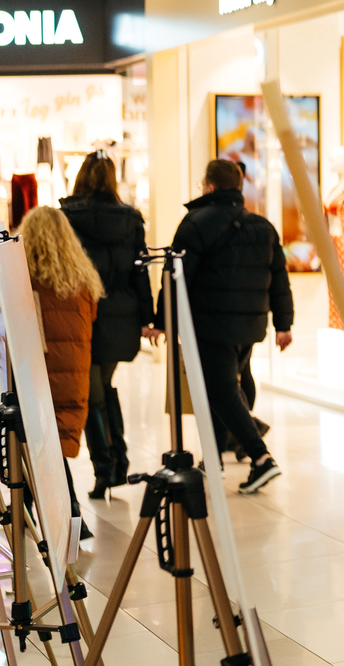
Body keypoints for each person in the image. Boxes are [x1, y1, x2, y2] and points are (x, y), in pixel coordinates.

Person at [168, 159, 293, 493]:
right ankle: (213, 458)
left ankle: (261, 458)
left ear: (209, 187)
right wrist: (284, 323)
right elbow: (280, 279)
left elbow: (176, 277)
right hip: (250, 327)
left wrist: (162, 319)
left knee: (222, 392)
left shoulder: (194, 223)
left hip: (210, 325)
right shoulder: (263, 227)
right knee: (220, 389)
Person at [60, 152, 157, 498]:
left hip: (82, 314)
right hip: (122, 316)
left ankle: (107, 468)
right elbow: (140, 272)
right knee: (102, 386)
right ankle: (117, 463)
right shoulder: (131, 219)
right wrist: (149, 318)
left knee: (93, 392)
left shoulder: (66, 218)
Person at [19, 205, 105, 539]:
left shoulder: (24, 278)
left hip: (37, 375)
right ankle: (65, 519)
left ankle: (68, 518)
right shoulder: (82, 279)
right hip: (74, 375)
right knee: (49, 448)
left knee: (32, 445)